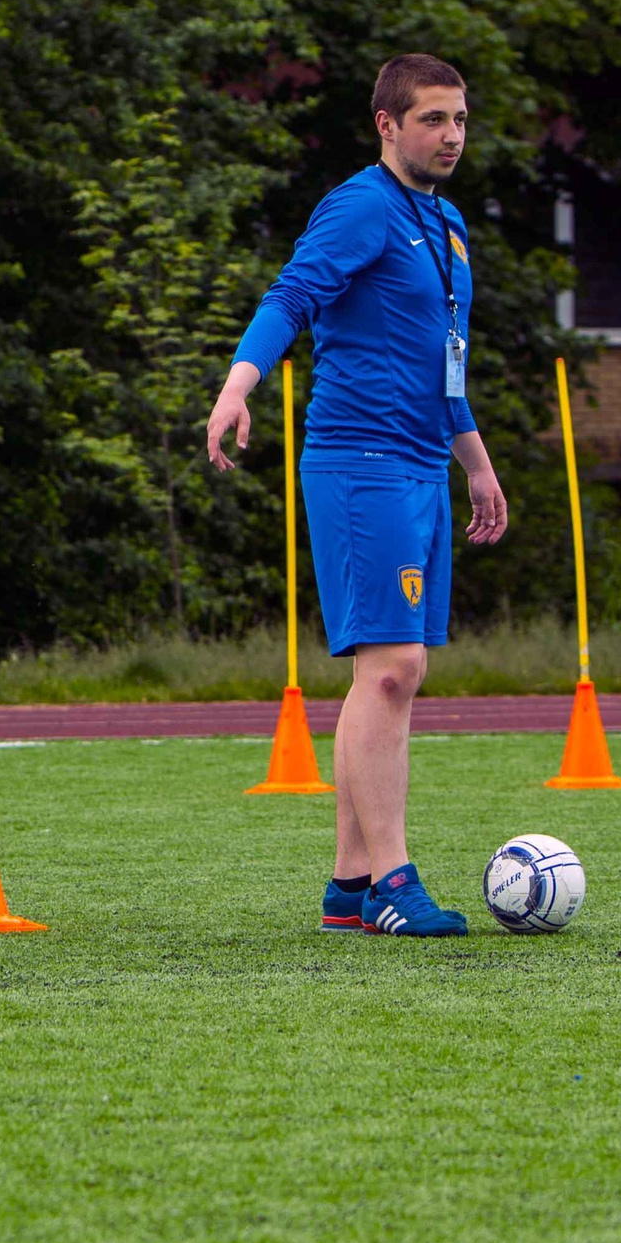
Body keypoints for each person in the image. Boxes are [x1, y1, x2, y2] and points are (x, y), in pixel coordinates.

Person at [207, 52, 510, 938]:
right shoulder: (359, 207)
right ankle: (392, 880)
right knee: (392, 671)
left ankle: (348, 883)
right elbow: (291, 295)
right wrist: (240, 384)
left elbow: (447, 367)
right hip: (359, 460)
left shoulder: (448, 225)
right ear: (387, 123)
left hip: (423, 464)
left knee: (395, 680)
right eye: (432, 120)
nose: (451, 136)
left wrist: (478, 465)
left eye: (459, 120)